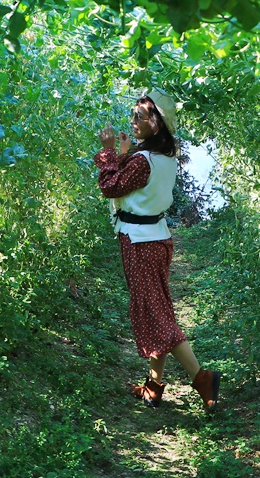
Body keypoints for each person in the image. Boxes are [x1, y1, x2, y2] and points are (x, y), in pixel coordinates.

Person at [94, 89, 221, 410]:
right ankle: (153, 385)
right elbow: (133, 178)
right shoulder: (164, 156)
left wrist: (108, 152)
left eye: (140, 116)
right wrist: (124, 152)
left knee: (157, 314)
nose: (133, 121)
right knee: (157, 308)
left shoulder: (143, 160)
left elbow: (111, 186)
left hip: (140, 241)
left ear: (156, 123)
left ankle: (200, 377)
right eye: (133, 115)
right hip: (157, 237)